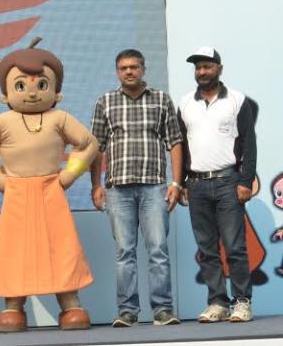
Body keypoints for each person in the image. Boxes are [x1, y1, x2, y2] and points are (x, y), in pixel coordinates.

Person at [0, 38, 98, 332]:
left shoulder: (60, 118)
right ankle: (13, 307)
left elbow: (88, 144)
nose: (31, 92)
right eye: (20, 85)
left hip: (52, 190)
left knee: (61, 247)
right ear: (5, 94)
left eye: (41, 85)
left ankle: (70, 303)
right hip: (16, 194)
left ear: (56, 91)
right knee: (15, 250)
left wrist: (69, 175)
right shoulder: (4, 121)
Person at [90, 49, 183, 327]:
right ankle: (127, 311)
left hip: (154, 186)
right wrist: (95, 185)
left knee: (158, 250)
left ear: (143, 69)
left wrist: (176, 183)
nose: (129, 72)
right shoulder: (105, 101)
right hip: (117, 189)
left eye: (133, 67)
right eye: (123, 68)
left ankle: (162, 310)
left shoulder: (161, 99)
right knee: (124, 252)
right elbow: (96, 147)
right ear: (117, 72)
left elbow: (175, 142)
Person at [178, 46, 256, 323]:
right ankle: (217, 303)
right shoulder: (185, 103)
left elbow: (249, 143)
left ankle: (242, 302)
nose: (202, 72)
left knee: (234, 246)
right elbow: (181, 147)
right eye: (198, 67)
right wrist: (181, 182)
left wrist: (245, 181)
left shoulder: (237, 100)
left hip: (228, 182)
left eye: (207, 66)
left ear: (219, 69)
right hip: (196, 184)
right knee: (207, 249)